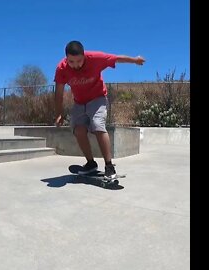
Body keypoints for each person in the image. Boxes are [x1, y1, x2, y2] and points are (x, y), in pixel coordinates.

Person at [54, 40, 145, 179]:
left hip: (98, 98)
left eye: (79, 61)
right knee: (78, 130)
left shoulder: (95, 58)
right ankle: (91, 163)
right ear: (66, 58)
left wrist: (135, 60)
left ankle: (109, 166)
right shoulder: (61, 68)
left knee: (97, 125)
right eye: (71, 62)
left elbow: (117, 58)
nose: (76, 65)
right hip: (79, 102)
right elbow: (58, 93)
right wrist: (59, 113)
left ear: (84, 55)